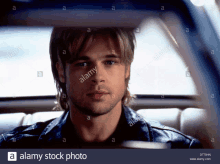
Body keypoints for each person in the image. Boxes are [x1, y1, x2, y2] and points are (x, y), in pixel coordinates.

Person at [0, 27, 203, 148]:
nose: (97, 77)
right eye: (82, 63)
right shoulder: (16, 147)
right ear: (61, 71)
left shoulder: (178, 149)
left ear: (127, 70)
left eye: (110, 62)